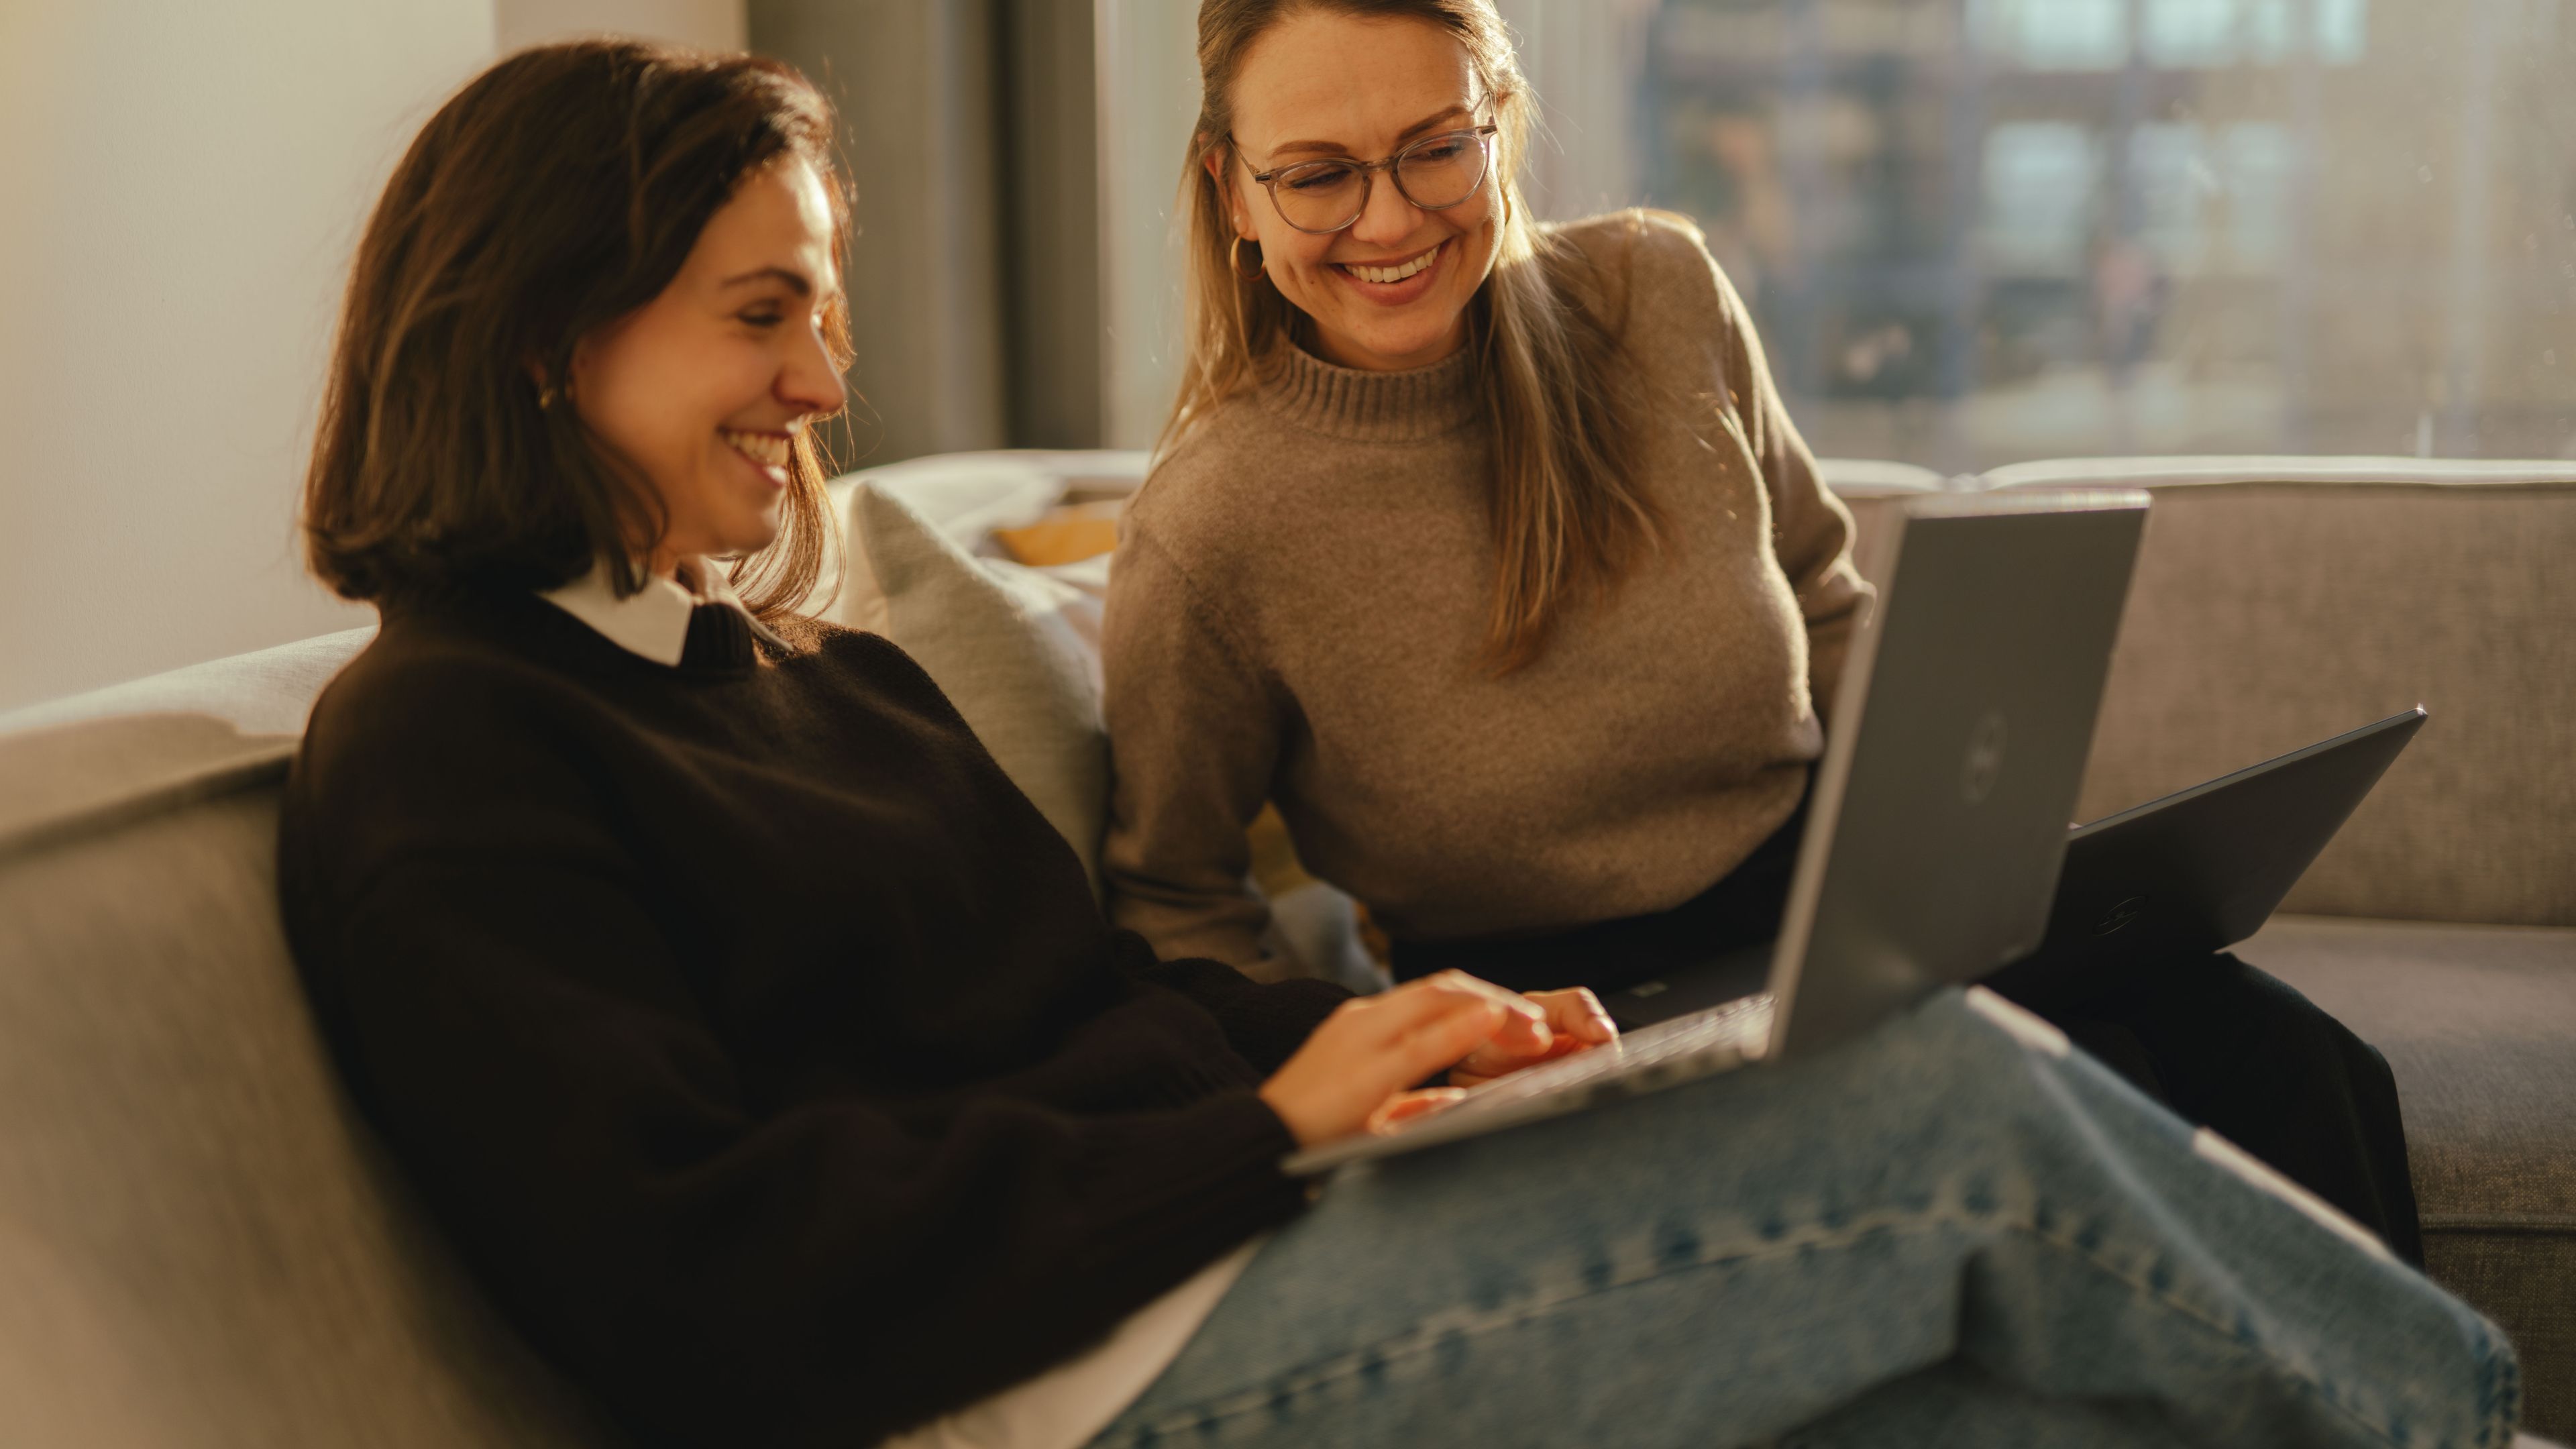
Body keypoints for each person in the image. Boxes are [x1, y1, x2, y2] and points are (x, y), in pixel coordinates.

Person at [276, 37, 2517, 1449]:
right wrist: (1257, 1121)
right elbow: (705, 1282)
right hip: (1054, 1378)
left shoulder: (804, 681)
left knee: (2039, 1397)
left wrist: (1394, 1051)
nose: (833, 381)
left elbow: (1100, 1009)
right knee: (1945, 1104)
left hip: (1213, 1246)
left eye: (825, 305)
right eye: (766, 313)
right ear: (551, 343)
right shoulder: (449, 760)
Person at [1098, 0, 2422, 1263]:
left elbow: (1827, 603)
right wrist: (1367, 1059)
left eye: (1436, 148)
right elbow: (1174, 899)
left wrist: (1973, 862)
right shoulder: (1211, 526)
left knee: (2305, 1069)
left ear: (1495, 121)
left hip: (1837, 913)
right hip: (1579, 1020)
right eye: (1317, 176)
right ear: (1232, 191)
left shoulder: (1653, 294)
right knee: (2109, 1109)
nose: (1389, 218)